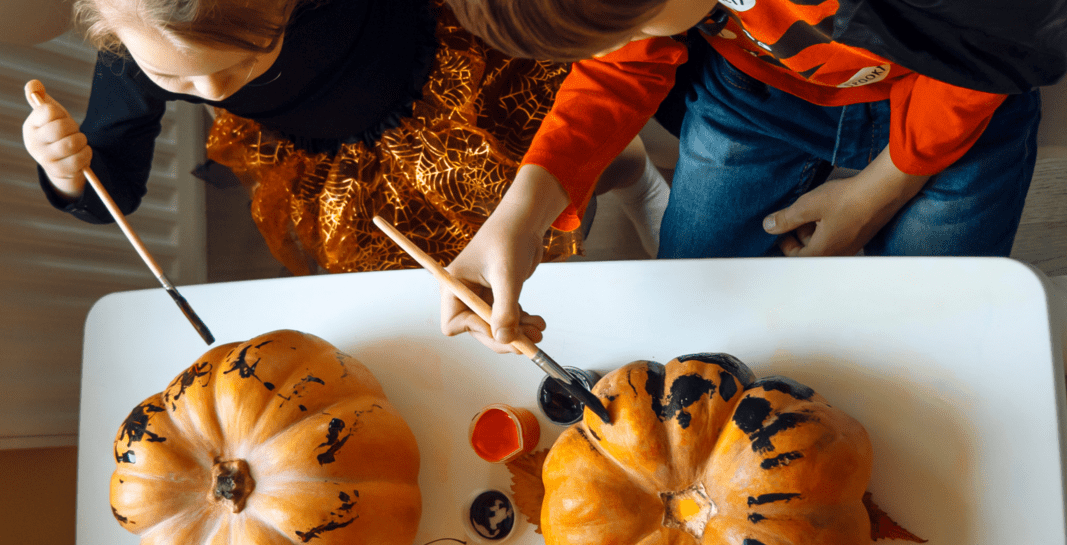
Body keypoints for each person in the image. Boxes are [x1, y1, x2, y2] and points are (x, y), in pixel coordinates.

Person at [439, 0, 1041, 352]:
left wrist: (881, 191)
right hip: (756, 87)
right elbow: (622, 69)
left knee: (942, 322)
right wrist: (522, 210)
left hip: (956, 93)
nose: (623, 45)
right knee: (701, 308)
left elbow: (984, 52)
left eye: (632, 24)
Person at [23, 0, 665, 287]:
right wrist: (67, 169)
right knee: (451, 253)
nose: (213, 92)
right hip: (337, 152)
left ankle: (632, 174)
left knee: (566, 139)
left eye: (250, 56)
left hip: (443, 74)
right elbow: (117, 183)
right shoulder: (127, 52)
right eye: (175, 79)